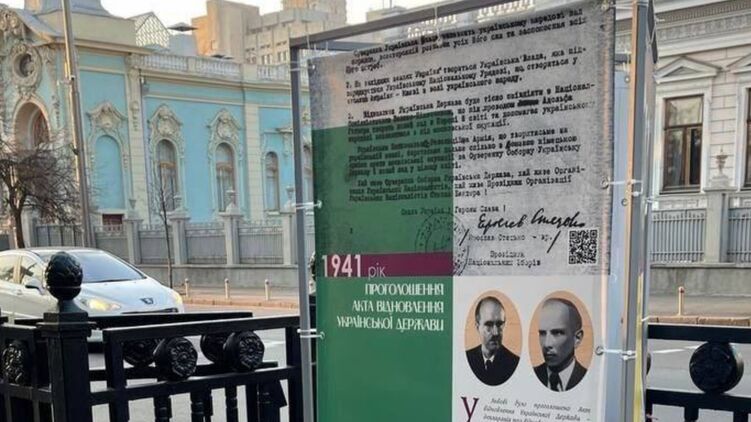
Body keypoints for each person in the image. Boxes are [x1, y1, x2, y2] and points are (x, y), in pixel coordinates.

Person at [534, 298, 587, 392]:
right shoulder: (531, 375)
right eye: (542, 333)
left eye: (557, 333)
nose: (547, 344)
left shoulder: (588, 379)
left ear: (577, 339)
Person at [466, 296, 519, 386]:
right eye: (489, 325)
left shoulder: (513, 363)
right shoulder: (468, 359)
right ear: (477, 326)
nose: (495, 333)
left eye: (499, 324)